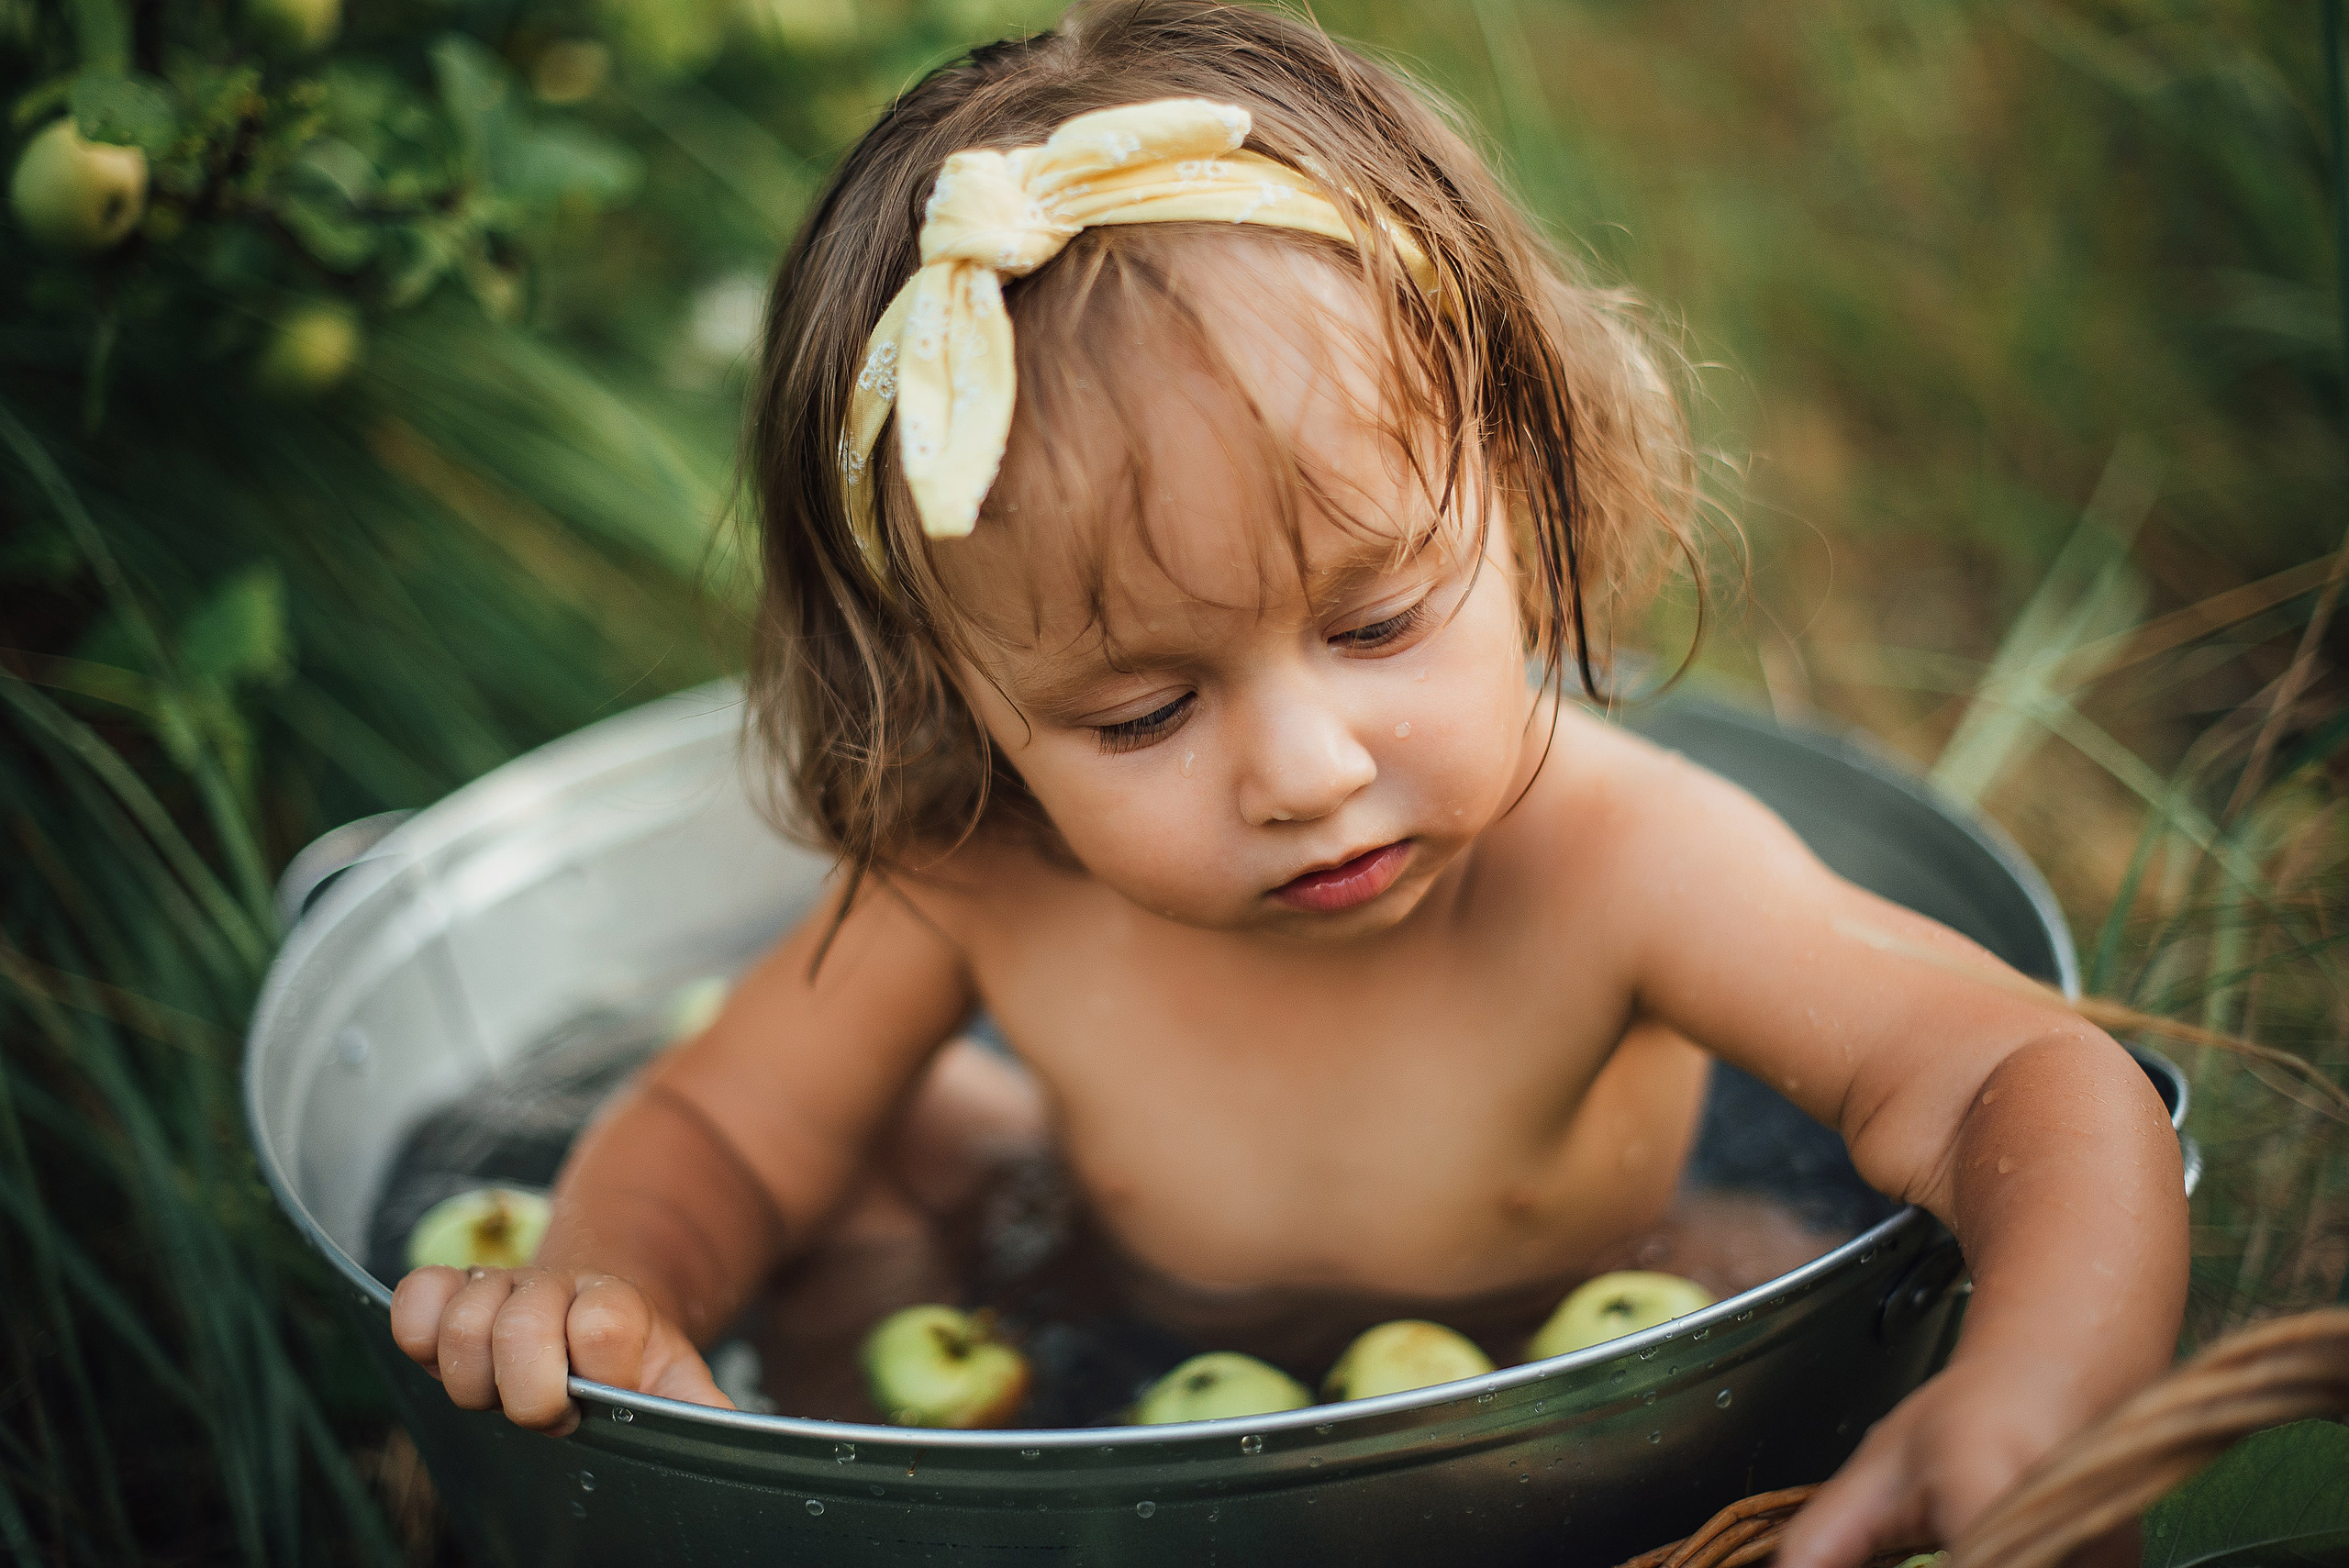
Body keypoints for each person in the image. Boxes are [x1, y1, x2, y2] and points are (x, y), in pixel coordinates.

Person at [388, 4, 2188, 1562]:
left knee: (1741, 1289)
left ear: (1522, 493)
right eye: (1137, 715)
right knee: (857, 1181)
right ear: (960, 705)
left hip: (1574, 1367)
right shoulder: (988, 881)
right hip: (1108, 1326)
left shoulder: (1619, 864)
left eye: (1380, 619)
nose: (1305, 773)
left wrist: (2036, 1388)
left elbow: (2022, 1075)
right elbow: (716, 1123)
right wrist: (616, 1286)